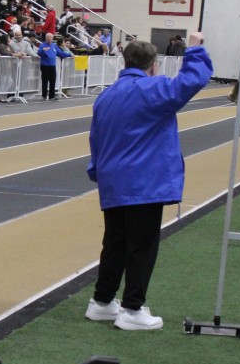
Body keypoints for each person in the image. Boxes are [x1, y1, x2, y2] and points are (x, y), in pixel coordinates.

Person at [85, 32, 212, 330]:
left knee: (115, 242)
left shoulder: (106, 96)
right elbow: (191, 81)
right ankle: (132, 309)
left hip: (113, 179)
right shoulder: (153, 89)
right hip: (144, 181)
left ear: (125, 61)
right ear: (153, 65)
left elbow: (96, 138)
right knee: (141, 246)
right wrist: (194, 49)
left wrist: (97, 170)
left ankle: (102, 302)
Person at [37, 33, 72, 100]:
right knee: (45, 81)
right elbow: (39, 53)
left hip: (52, 66)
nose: (49, 39)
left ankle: (51, 96)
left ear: (52, 38)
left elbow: (60, 53)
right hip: (45, 65)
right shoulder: (42, 45)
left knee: (53, 80)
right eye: (48, 37)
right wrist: (43, 50)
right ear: (46, 38)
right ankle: (44, 95)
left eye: (50, 37)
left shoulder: (54, 45)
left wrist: (69, 55)